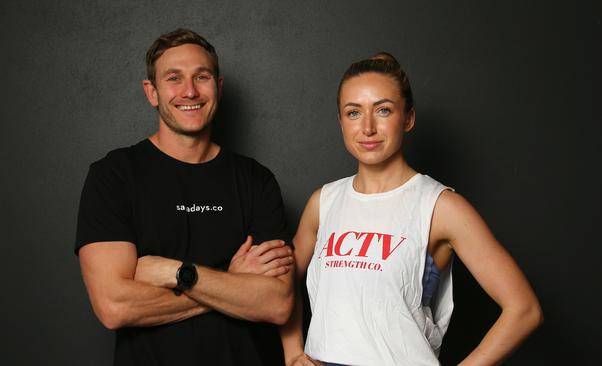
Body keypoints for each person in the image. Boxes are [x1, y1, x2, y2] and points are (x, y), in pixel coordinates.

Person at [280, 53, 543, 365]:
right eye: (353, 113)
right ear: (340, 121)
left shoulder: (440, 206)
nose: (367, 127)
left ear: (408, 118)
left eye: (384, 110)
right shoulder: (323, 202)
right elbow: (281, 286)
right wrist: (293, 352)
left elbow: (524, 310)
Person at [75, 28, 295, 366]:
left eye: (201, 77)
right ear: (152, 92)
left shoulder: (255, 180)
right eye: (174, 78)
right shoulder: (114, 175)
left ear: (218, 87)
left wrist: (173, 272)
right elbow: (114, 307)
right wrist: (234, 283)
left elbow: (276, 304)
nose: (189, 91)